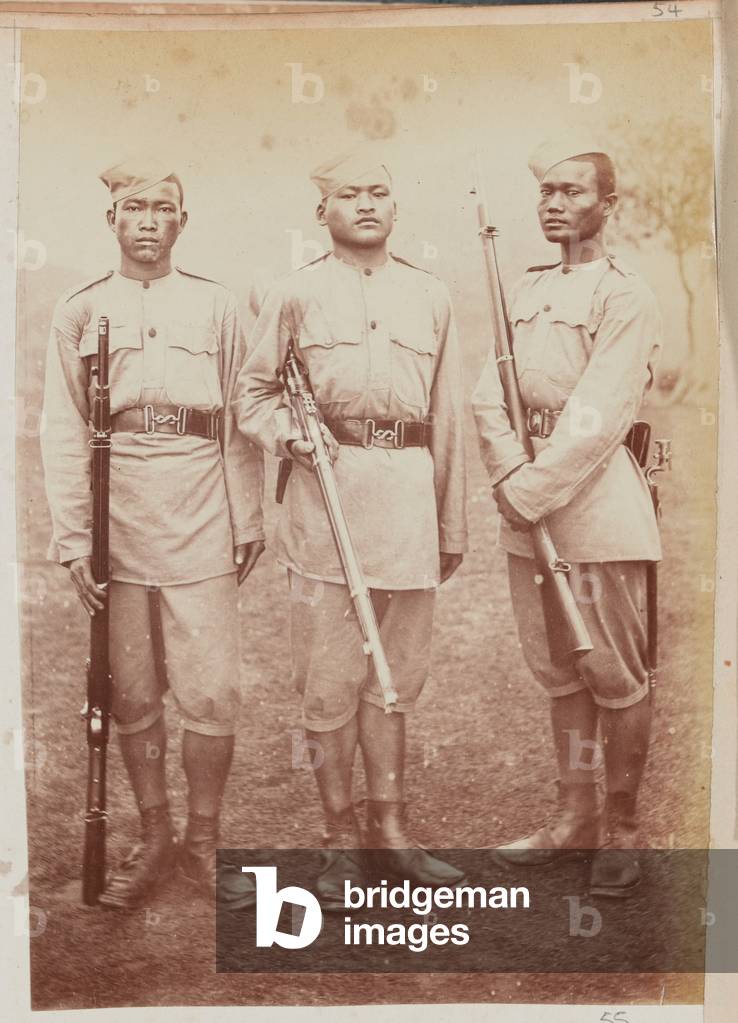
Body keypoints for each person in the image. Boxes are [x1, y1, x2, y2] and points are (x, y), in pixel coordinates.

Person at [234, 148, 468, 908]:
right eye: (347, 194)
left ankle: (392, 832)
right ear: (322, 211)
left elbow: (449, 416)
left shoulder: (431, 296)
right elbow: (254, 395)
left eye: (379, 192)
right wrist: (290, 438)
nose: (365, 204)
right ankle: (338, 836)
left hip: (406, 506)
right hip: (323, 511)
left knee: (395, 681)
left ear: (396, 208)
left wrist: (449, 520)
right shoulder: (295, 295)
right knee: (329, 684)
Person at [41, 159, 265, 910]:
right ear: (112, 220)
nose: (147, 220)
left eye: (162, 208)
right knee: (132, 691)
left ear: (181, 222)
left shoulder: (220, 306)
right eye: (133, 207)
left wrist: (247, 514)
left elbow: (240, 418)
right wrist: (76, 537)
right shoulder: (79, 310)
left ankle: (203, 839)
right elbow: (63, 430)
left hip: (201, 503)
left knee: (212, 687)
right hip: (119, 515)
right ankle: (154, 833)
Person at [472, 132, 662, 897]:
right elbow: (491, 392)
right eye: (546, 191)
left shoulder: (626, 293)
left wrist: (532, 487)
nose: (554, 203)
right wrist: (509, 474)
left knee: (613, 671)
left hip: (595, 504)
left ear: (606, 206)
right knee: (559, 674)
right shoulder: (520, 288)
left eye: (572, 192)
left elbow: (601, 410)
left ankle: (620, 827)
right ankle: (572, 819)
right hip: (528, 499)